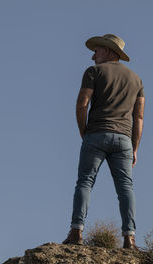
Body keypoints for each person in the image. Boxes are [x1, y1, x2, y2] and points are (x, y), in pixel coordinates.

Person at [62, 34, 145, 249]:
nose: (92, 56)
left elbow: (82, 104)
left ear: (109, 51)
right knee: (126, 187)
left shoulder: (94, 72)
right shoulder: (137, 80)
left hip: (96, 134)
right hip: (124, 140)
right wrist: (135, 148)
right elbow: (139, 117)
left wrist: (84, 132)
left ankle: (76, 232)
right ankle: (130, 238)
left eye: (96, 51)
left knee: (85, 182)